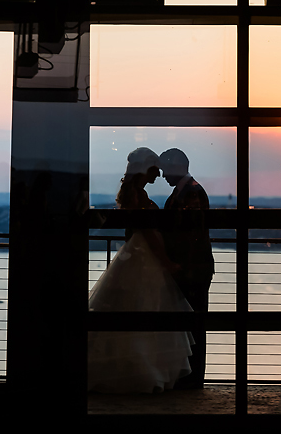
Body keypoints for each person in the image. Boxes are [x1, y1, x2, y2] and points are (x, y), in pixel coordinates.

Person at [87, 147, 194, 393]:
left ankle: (137, 372)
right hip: (145, 255)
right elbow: (148, 232)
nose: (158, 174)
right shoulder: (138, 196)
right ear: (145, 169)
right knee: (147, 310)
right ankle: (144, 375)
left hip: (136, 254)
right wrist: (166, 261)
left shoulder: (133, 193)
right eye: (155, 169)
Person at [159, 148, 214, 389]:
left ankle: (192, 379)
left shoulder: (191, 192)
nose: (162, 176)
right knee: (191, 324)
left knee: (193, 324)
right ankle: (189, 377)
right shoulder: (187, 190)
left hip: (193, 270)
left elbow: (192, 235)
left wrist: (180, 265)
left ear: (176, 166)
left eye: (164, 170)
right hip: (191, 269)